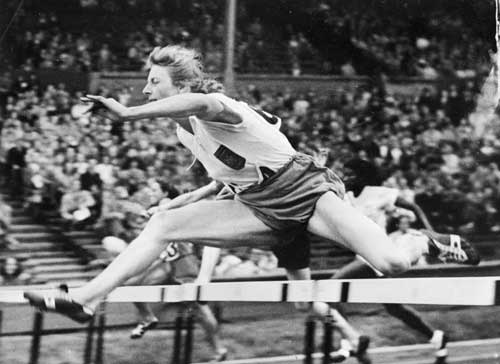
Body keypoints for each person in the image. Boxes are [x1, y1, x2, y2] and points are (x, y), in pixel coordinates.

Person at [24, 44, 479, 324]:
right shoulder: (186, 132)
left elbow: (201, 100)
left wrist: (125, 112)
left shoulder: (218, 105)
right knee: (164, 223)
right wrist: (191, 195)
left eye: (153, 82)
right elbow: (231, 177)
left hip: (305, 192)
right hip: (259, 207)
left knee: (393, 263)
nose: (145, 90)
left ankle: (423, 242)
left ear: (178, 85)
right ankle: (85, 301)